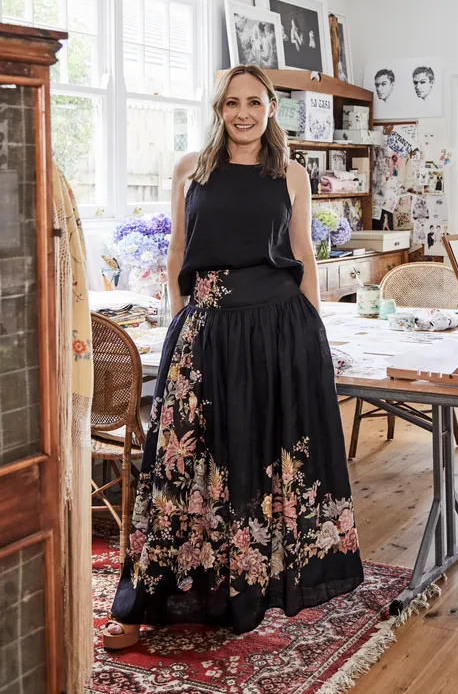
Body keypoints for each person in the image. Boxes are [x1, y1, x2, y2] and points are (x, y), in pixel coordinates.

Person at [102, 64, 363, 648]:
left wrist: (313, 335)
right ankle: (143, 602)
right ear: (218, 109)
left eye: (254, 102)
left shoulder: (291, 174)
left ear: (271, 107)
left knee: (264, 455)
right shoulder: (190, 169)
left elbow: (302, 256)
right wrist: (180, 321)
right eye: (230, 103)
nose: (243, 113)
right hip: (205, 330)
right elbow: (176, 254)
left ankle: (251, 588)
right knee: (180, 464)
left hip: (279, 330)